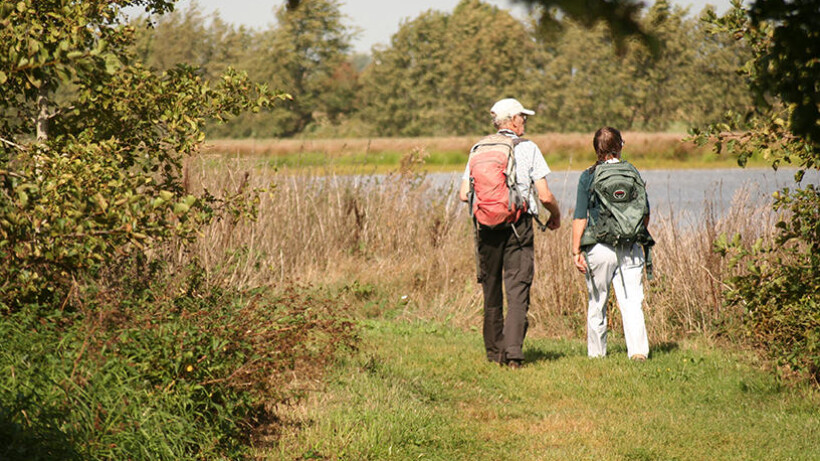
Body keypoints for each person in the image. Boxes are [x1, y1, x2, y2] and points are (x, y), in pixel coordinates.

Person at [459, 98, 561, 368]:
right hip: (519, 226)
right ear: (513, 120)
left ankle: (494, 354)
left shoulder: (478, 148)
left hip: (486, 228)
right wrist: (555, 215)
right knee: (517, 288)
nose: (525, 121)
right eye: (523, 117)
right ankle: (514, 354)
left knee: (491, 289)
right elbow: (545, 195)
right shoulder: (528, 148)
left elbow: (463, 194)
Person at [571, 127, 650, 361]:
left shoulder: (587, 176)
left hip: (598, 247)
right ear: (620, 146)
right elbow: (645, 213)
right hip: (630, 247)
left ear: (596, 150)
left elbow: (580, 217)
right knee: (632, 302)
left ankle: (597, 356)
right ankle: (637, 352)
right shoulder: (632, 172)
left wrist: (576, 250)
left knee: (598, 301)